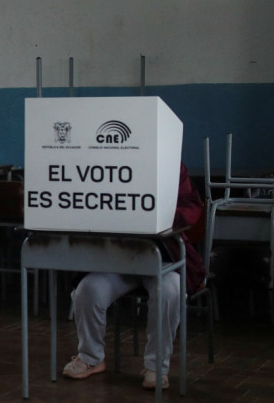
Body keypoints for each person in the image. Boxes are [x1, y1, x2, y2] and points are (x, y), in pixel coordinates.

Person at [62, 162, 206, 389]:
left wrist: (156, 213)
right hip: (117, 257)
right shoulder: (103, 161)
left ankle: (156, 367)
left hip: (163, 256)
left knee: (170, 291)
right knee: (87, 291)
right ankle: (91, 358)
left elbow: (191, 206)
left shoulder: (171, 164)